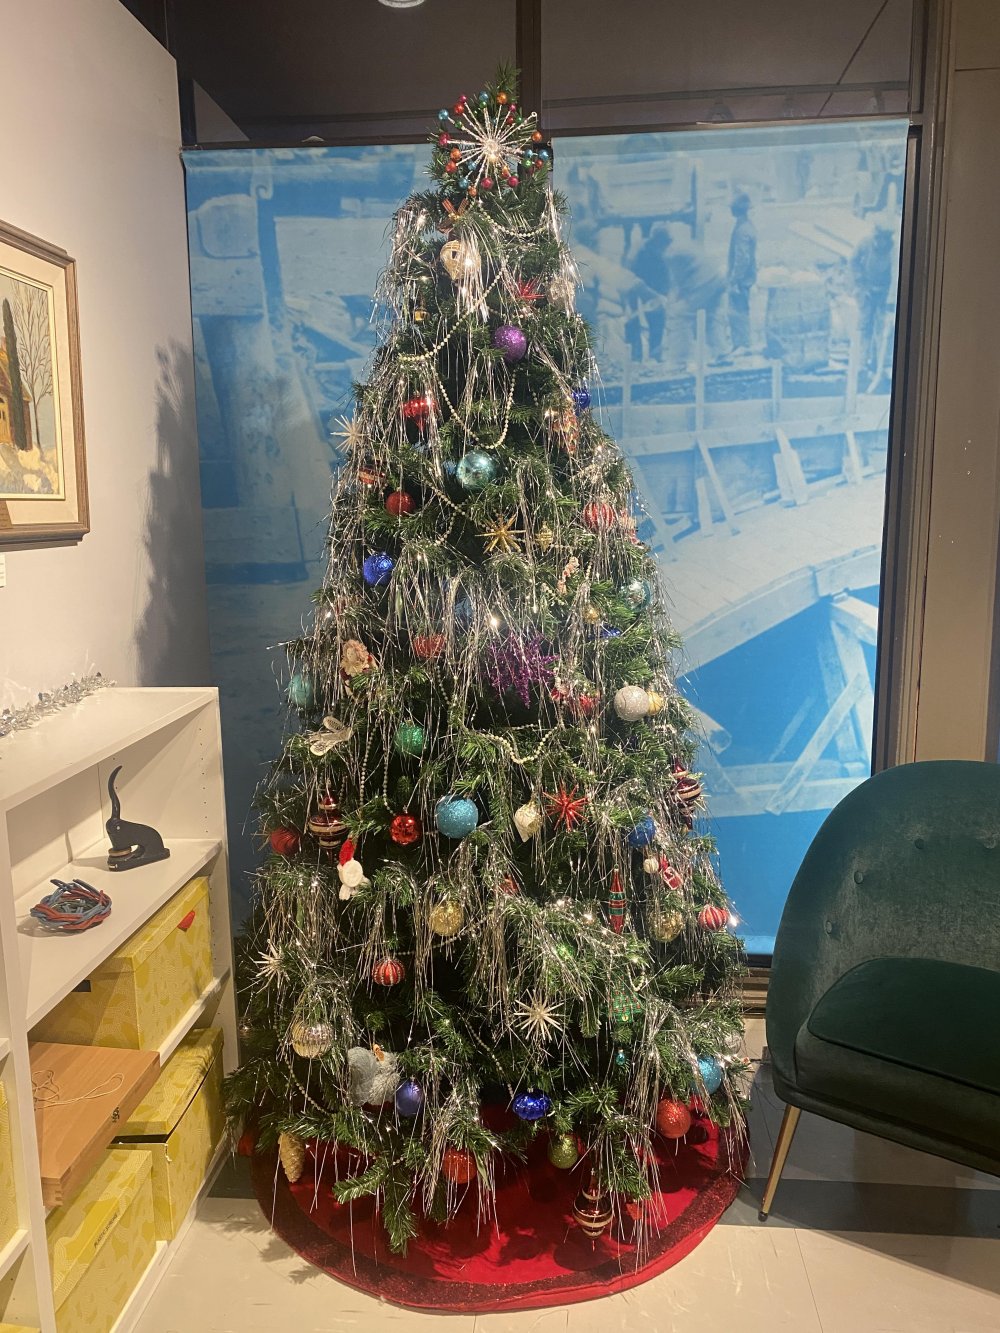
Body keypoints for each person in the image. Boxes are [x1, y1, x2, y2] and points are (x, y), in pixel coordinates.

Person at [850, 223, 896, 374]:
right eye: (876, 238)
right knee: (865, 325)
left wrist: (890, 297)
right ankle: (861, 362)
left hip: (883, 292)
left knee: (882, 328)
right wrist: (861, 282)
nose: (878, 242)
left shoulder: (894, 251)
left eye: (881, 239)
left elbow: (896, 273)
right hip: (866, 290)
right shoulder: (865, 244)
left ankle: (878, 363)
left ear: (886, 239)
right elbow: (853, 261)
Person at [626, 223, 671, 362]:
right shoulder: (643, 252)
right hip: (639, 287)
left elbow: (665, 275)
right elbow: (635, 272)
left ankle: (653, 354)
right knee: (635, 320)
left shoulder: (658, 251)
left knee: (656, 322)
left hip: (653, 288)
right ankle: (637, 354)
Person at [727, 192, 757, 355]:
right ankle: (741, 343)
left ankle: (742, 344)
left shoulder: (742, 230)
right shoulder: (746, 226)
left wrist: (734, 279)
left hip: (741, 279)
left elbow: (742, 258)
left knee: (738, 311)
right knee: (740, 309)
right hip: (745, 277)